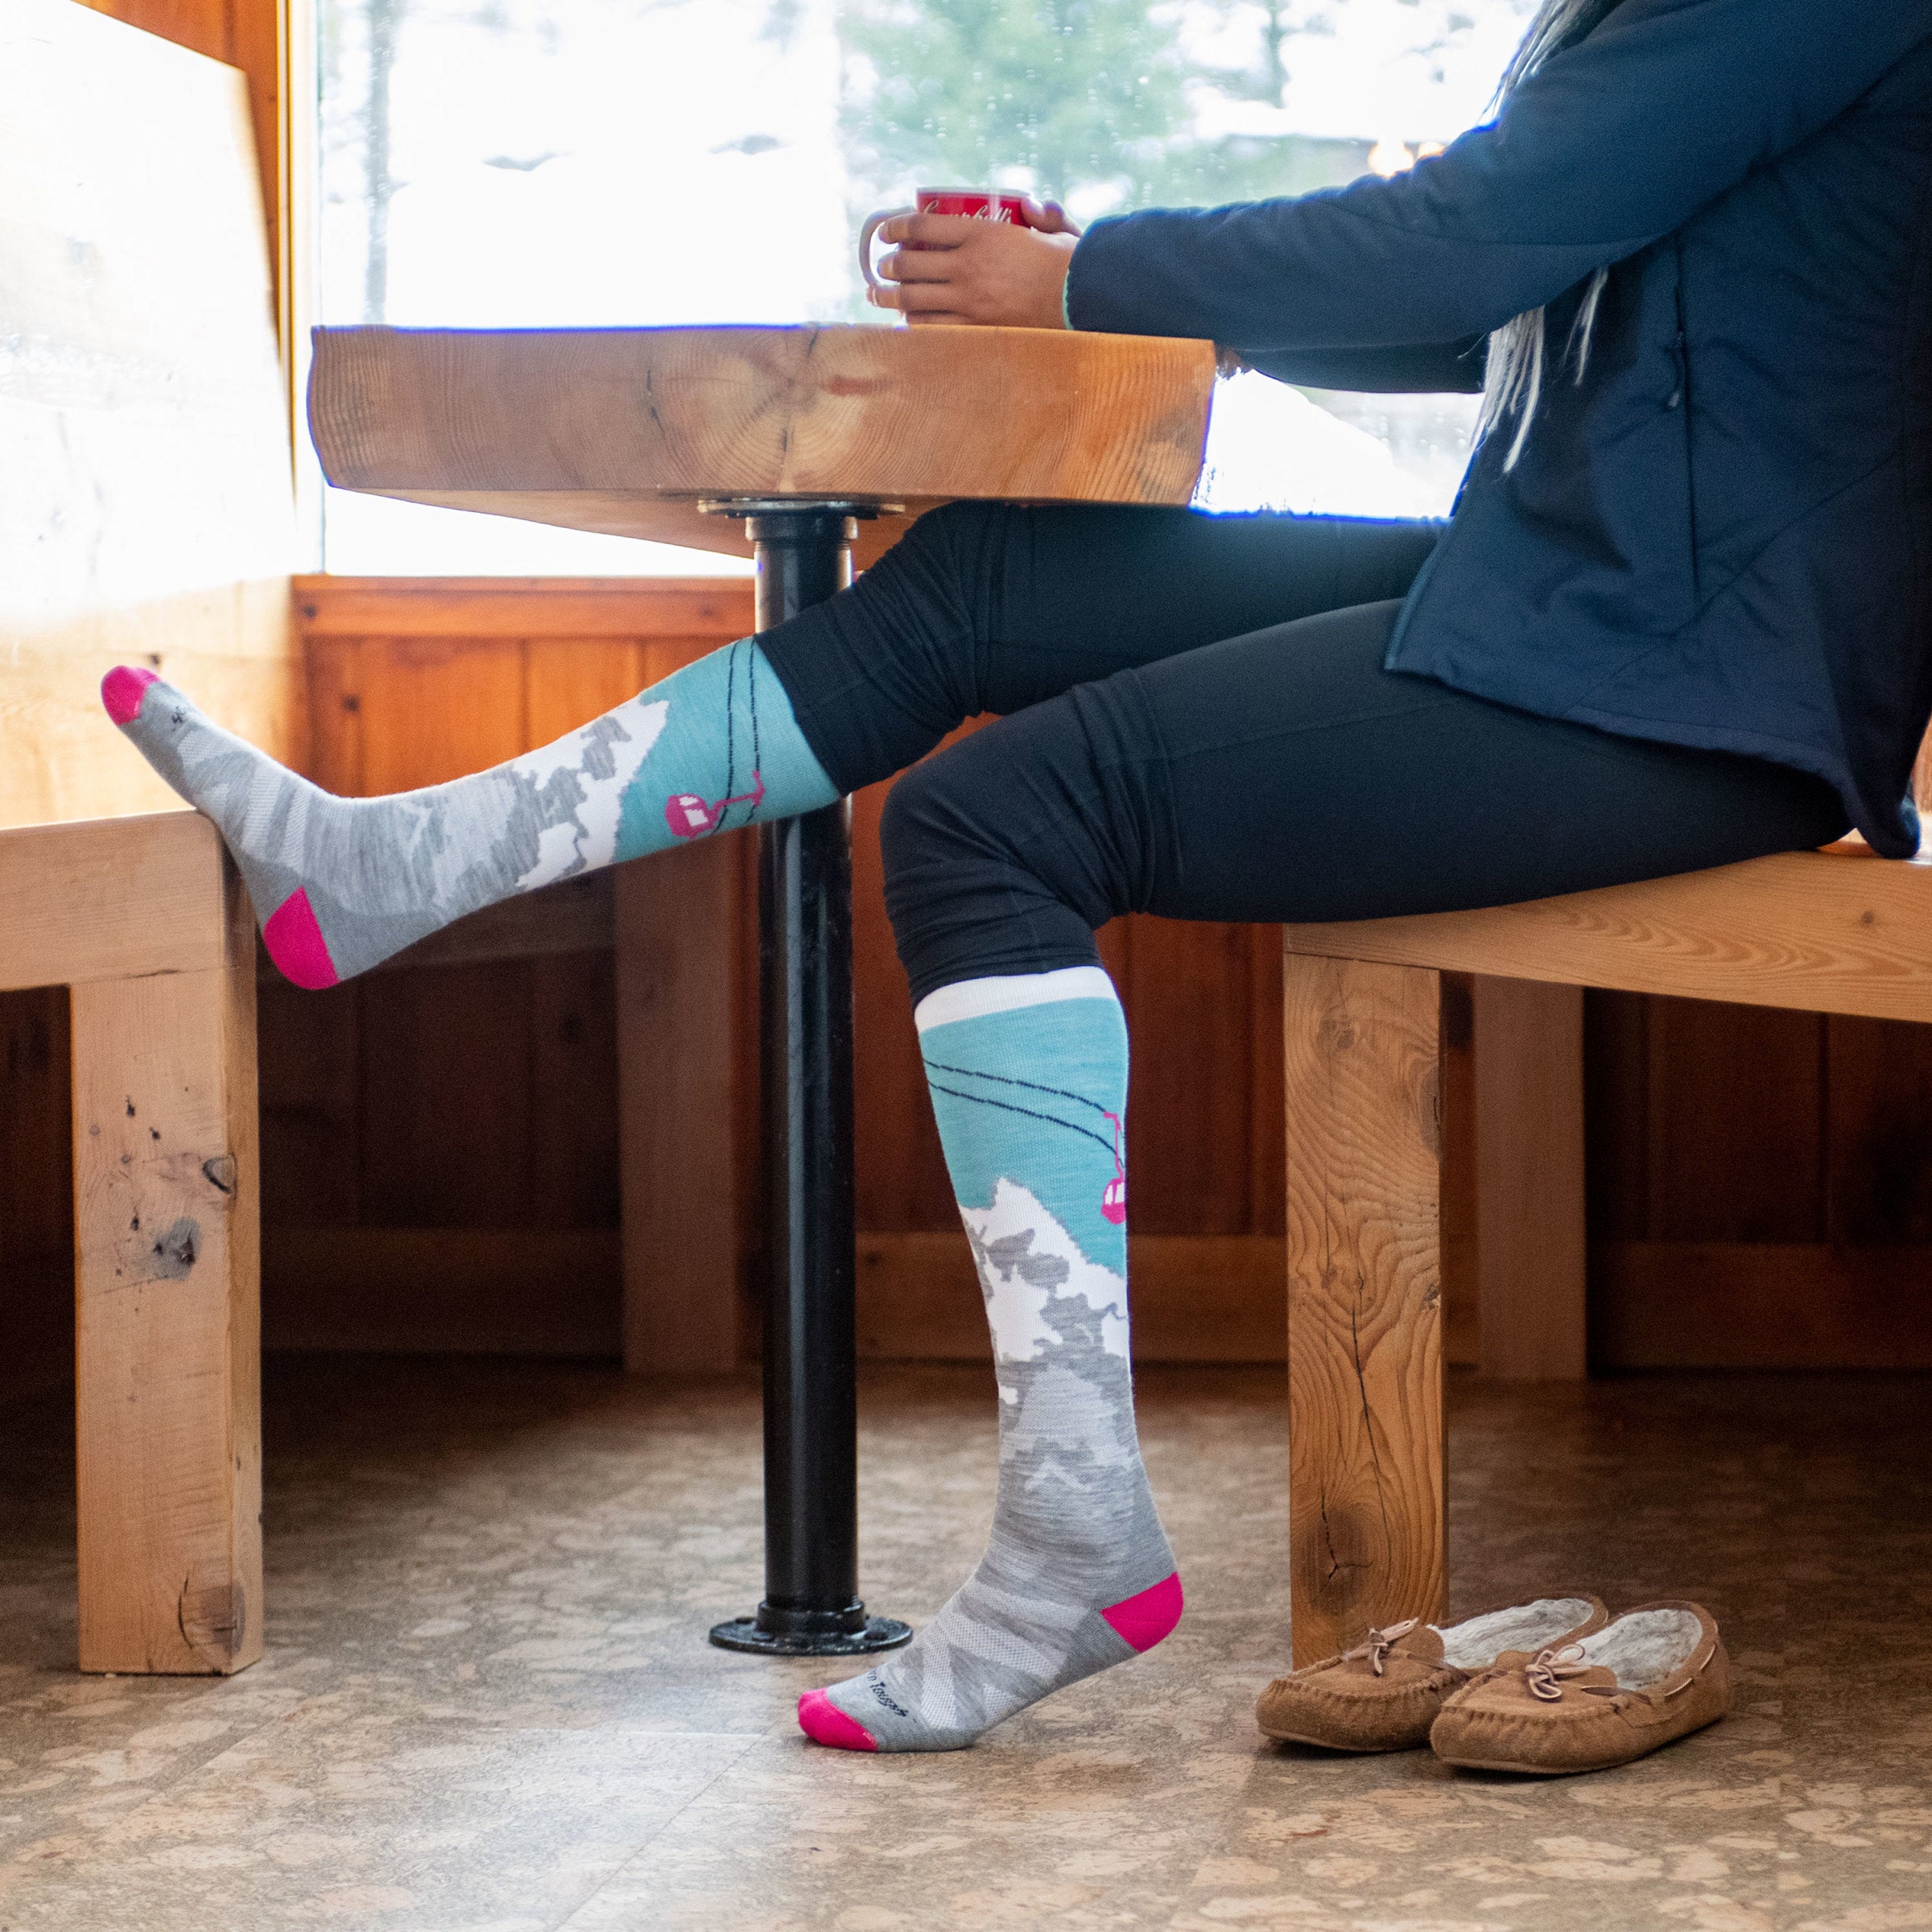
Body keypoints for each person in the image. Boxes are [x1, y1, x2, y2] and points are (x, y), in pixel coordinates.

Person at [103, 0, 1932, 1760]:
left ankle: (1076, 1535)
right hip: (1578, 597)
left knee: (995, 826)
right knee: (989, 574)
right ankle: (395, 866)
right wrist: (1118, 297)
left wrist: (1095, 279)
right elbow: (1493, 315)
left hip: (1692, 681)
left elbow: (1471, 239)